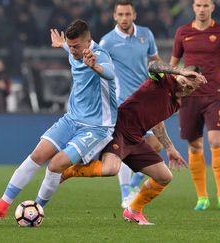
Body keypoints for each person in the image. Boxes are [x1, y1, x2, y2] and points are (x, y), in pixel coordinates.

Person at [0, 19, 117, 218]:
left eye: (76, 46)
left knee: (55, 164)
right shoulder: (73, 49)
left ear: (89, 40)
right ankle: (1, 205)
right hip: (72, 119)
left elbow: (109, 72)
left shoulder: (99, 55)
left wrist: (96, 67)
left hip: (96, 127)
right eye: (70, 46)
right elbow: (69, 47)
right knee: (37, 155)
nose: (73, 50)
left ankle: (36, 210)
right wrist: (61, 45)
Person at [36, 60, 207, 225]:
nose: (185, 87)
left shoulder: (176, 103)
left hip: (136, 139)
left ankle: (133, 211)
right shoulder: (163, 79)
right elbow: (152, 66)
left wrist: (170, 148)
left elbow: (157, 121)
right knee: (110, 169)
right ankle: (71, 171)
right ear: (180, 74)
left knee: (164, 177)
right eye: (184, 81)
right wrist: (179, 70)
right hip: (119, 128)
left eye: (190, 88)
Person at [169, 0, 220, 211]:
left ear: (212, 8)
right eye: (198, 5)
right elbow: (173, 65)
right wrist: (171, 90)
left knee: (216, 141)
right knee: (195, 146)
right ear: (193, 7)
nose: (202, 9)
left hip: (214, 95)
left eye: (205, 5)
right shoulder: (182, 32)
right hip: (189, 97)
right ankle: (202, 197)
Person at [99, 0, 163, 208]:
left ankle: (134, 184)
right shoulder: (107, 42)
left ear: (134, 15)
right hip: (122, 104)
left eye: (128, 14)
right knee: (125, 149)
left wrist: (160, 78)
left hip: (146, 101)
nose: (124, 18)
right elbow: (98, 70)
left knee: (156, 144)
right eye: (121, 14)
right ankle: (126, 194)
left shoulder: (146, 34)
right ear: (114, 17)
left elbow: (154, 60)